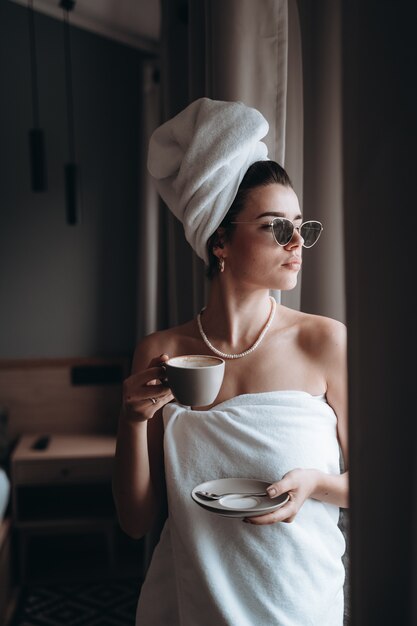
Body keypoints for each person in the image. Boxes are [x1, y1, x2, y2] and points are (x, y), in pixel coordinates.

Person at [112, 98, 348, 626]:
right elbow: (135, 521)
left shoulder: (323, 342)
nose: (296, 243)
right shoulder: (160, 352)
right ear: (220, 240)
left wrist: (315, 484)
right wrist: (131, 422)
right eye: (273, 226)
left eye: (299, 225)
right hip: (189, 605)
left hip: (298, 604)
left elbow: (384, 483)